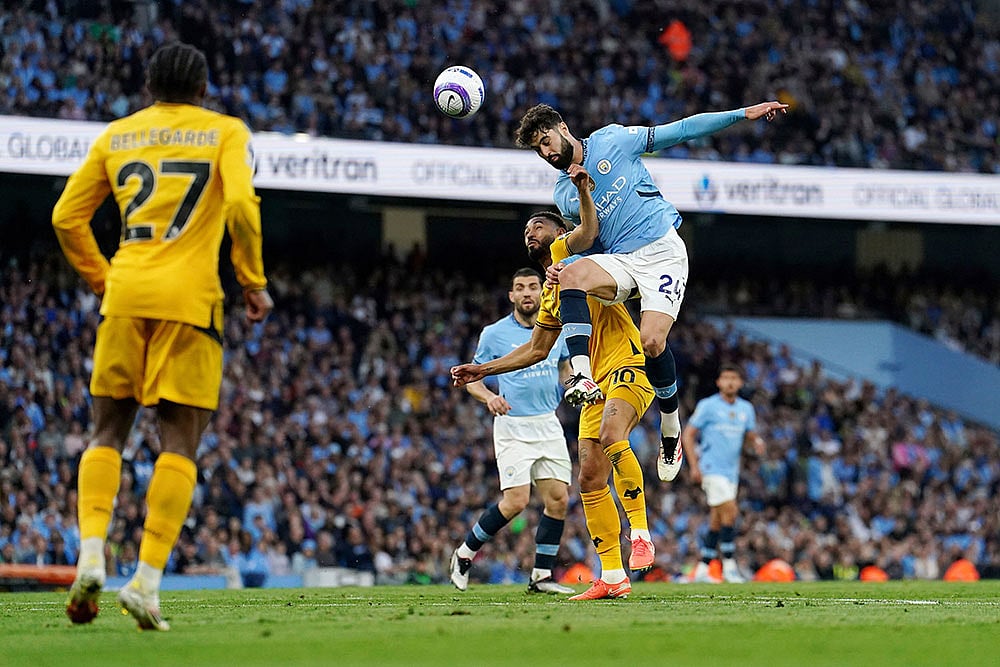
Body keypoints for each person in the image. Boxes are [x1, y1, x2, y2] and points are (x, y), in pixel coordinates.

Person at [54, 42, 272, 630]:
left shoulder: (116, 136)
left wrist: (105, 281)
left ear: (150, 90)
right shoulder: (225, 131)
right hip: (191, 302)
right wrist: (252, 281)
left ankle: (92, 551)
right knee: (179, 443)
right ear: (203, 90)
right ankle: (146, 581)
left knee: (107, 430)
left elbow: (65, 218)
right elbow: (243, 211)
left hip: (125, 295)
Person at [514, 100, 786, 483]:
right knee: (571, 275)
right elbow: (590, 235)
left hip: (661, 251)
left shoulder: (612, 140)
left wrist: (742, 114)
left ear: (562, 126)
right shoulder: (563, 192)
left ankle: (671, 428)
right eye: (539, 150)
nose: (547, 153)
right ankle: (581, 375)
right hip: (622, 259)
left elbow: (682, 129)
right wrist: (582, 195)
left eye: (546, 141)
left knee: (652, 343)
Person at [452, 165, 655, 601]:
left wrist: (583, 189)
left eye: (537, 225)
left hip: (627, 365)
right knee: (589, 480)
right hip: (592, 385)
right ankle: (613, 575)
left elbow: (587, 229)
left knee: (609, 437)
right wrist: (482, 371)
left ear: (558, 230)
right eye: (525, 229)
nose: (530, 232)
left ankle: (640, 532)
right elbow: (536, 349)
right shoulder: (550, 292)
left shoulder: (577, 258)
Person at [448, 268, 575, 595]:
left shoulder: (555, 328)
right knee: (516, 501)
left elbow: (563, 365)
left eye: (533, 286)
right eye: (521, 288)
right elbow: (472, 378)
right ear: (512, 296)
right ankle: (464, 554)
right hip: (514, 425)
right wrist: (490, 398)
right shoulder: (494, 334)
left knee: (558, 500)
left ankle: (541, 576)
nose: (528, 293)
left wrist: (574, 384)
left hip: (548, 422)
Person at [681, 363, 765, 583]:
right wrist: (694, 466)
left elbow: (750, 434)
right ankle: (729, 566)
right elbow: (688, 435)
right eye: (725, 377)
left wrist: (756, 442)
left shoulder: (746, 409)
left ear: (740, 383)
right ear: (719, 382)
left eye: (734, 378)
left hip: (731, 472)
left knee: (717, 519)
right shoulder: (708, 406)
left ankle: (702, 569)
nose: (729, 382)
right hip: (711, 467)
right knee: (731, 511)